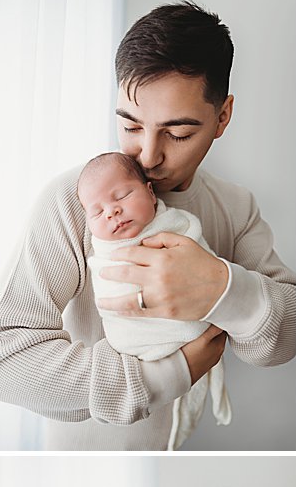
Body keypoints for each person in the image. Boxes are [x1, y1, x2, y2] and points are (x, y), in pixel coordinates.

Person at [0, 0, 296, 451]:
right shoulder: (74, 203)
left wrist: (220, 287)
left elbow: (286, 335)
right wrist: (167, 376)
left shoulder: (235, 206)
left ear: (222, 117)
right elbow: (0, 362)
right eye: (130, 125)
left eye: (177, 133)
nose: (147, 156)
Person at [78, 150, 232, 450]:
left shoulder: (177, 225)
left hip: (197, 334)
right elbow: (108, 288)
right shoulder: (101, 249)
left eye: (121, 196)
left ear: (150, 193)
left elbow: (205, 269)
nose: (111, 212)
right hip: (134, 348)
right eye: (97, 212)